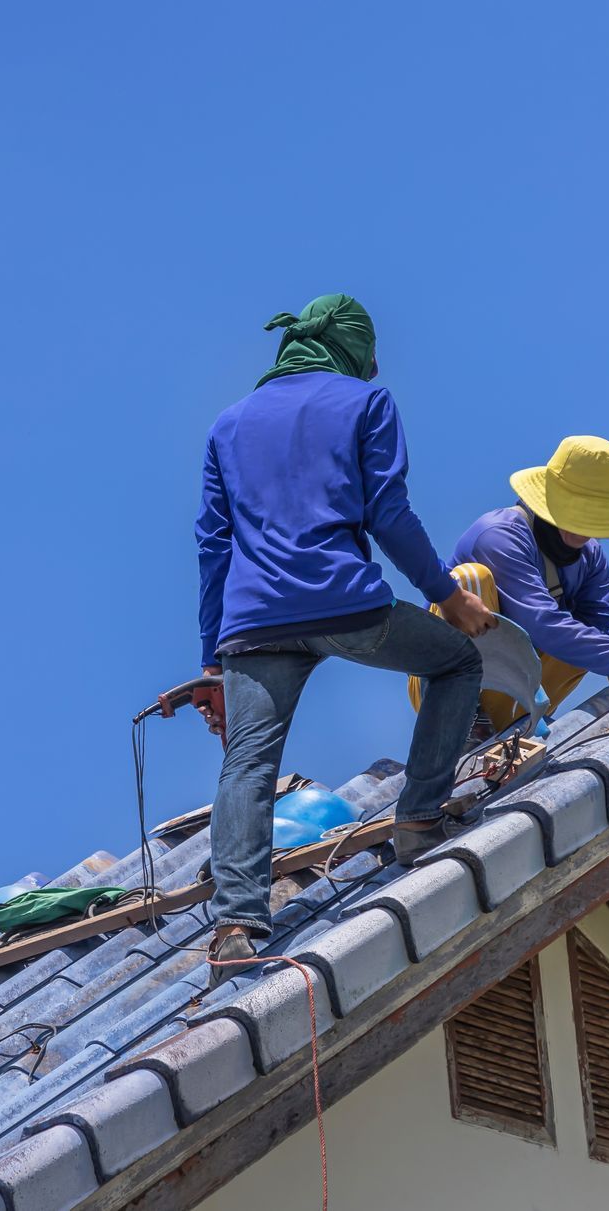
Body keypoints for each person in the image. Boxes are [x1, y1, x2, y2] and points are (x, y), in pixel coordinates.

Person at [195, 293, 495, 981]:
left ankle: (236, 925)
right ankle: (418, 821)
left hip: (251, 626)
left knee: (247, 765)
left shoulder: (228, 424)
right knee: (455, 662)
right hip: (341, 603)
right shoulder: (367, 403)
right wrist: (449, 597)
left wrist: (211, 662)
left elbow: (213, 546)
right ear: (354, 350)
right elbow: (388, 513)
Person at [411, 435, 609, 731]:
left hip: (522, 692)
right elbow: (542, 623)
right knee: (471, 578)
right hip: (450, 688)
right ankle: (465, 724)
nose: (585, 528)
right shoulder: (498, 536)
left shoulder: (589, 556)